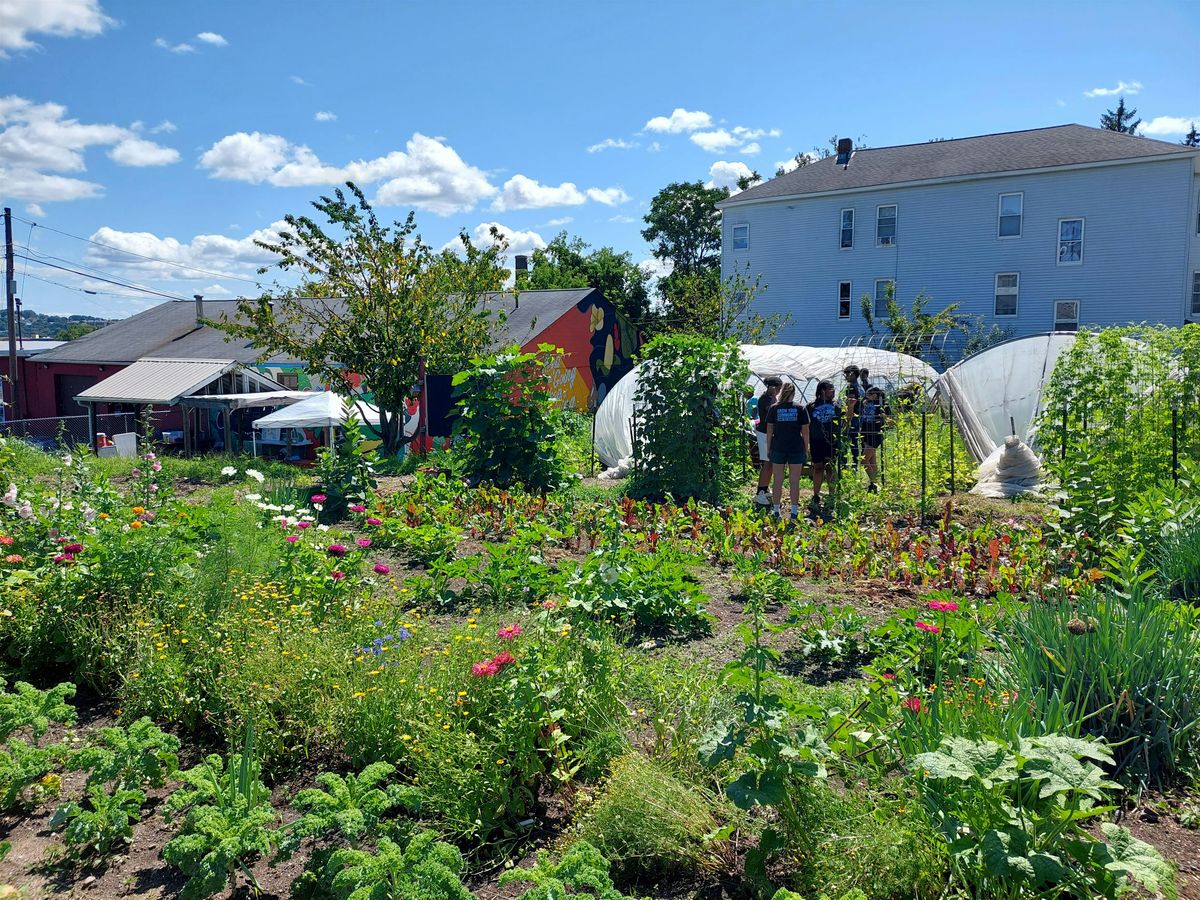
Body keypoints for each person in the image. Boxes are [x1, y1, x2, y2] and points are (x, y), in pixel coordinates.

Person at [766, 382, 810, 519]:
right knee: (794, 481)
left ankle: (776, 510)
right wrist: (806, 449)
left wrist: (768, 447)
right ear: (794, 393)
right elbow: (805, 432)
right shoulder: (800, 409)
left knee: (777, 480)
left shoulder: (774, 408)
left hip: (778, 447)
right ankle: (794, 511)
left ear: (781, 392)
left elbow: (769, 430)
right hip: (796, 448)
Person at [808, 380, 843, 508]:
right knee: (818, 468)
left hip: (832, 442)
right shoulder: (811, 406)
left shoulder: (836, 405)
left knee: (831, 468)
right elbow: (806, 425)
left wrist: (850, 407)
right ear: (822, 391)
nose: (833, 391)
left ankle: (832, 495)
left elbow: (846, 419)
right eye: (830, 389)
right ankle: (816, 495)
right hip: (816, 441)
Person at [753, 376, 783, 506]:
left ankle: (765, 488)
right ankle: (760, 491)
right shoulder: (765, 399)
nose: (779, 391)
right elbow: (770, 410)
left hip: (770, 434)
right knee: (767, 462)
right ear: (772, 388)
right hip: (764, 433)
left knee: (770, 462)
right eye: (778, 388)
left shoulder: (771, 398)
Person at [859, 385, 888, 493]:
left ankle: (873, 482)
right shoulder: (865, 403)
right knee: (872, 460)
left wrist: (884, 416)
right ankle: (873, 484)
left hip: (875, 434)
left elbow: (890, 420)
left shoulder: (882, 404)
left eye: (870, 395)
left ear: (876, 395)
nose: (867, 397)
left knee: (864, 460)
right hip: (865, 433)